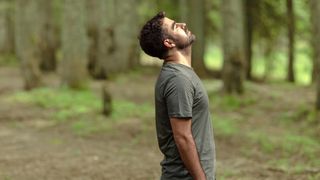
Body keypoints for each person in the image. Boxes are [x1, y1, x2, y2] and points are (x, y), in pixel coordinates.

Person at [139, 12, 216, 180]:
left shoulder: (181, 74)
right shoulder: (178, 79)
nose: (183, 24)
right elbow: (182, 137)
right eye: (175, 26)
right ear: (169, 42)